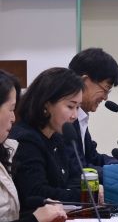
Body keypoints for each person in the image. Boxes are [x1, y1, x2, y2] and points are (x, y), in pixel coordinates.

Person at [0, 70, 66, 222]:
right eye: (11, 109)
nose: (13, 118)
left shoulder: (6, 150)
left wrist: (44, 213)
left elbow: (9, 219)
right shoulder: (26, 139)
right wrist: (35, 220)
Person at [10, 67, 84, 211]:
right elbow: (37, 192)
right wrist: (83, 195)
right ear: (46, 104)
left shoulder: (56, 137)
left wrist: (78, 192)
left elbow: (75, 178)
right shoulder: (26, 140)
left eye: (78, 107)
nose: (75, 116)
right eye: (70, 106)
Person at [68, 47, 118, 176]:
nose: (105, 98)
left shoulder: (81, 116)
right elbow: (78, 169)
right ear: (84, 81)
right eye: (105, 89)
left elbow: (93, 158)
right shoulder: (65, 120)